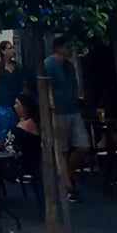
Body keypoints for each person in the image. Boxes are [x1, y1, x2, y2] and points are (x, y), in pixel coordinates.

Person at [44, 35, 89, 201]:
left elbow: (74, 86)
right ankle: (67, 185)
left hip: (73, 109)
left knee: (83, 146)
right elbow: (45, 87)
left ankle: (67, 175)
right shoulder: (48, 64)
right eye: (68, 47)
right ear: (58, 48)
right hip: (58, 111)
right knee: (62, 150)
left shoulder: (69, 66)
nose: (70, 50)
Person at [0, 41, 24, 112]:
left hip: (17, 105)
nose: (13, 50)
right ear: (3, 51)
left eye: (13, 48)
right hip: (4, 106)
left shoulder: (17, 66)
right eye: (10, 48)